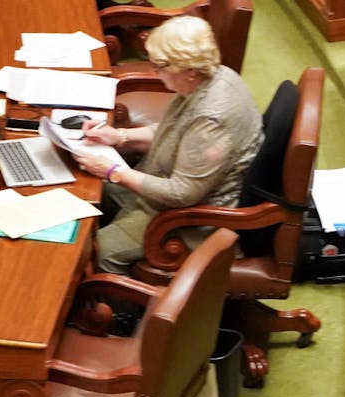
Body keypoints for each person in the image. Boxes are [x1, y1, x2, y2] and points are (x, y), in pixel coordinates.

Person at [73, 14, 262, 274]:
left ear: (189, 70)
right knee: (86, 191)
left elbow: (181, 193)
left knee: (100, 252)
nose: (155, 73)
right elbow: (173, 133)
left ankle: (127, 313)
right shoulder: (212, 76)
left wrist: (113, 172)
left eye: (160, 67)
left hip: (191, 218)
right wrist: (118, 136)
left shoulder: (212, 119)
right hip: (165, 185)